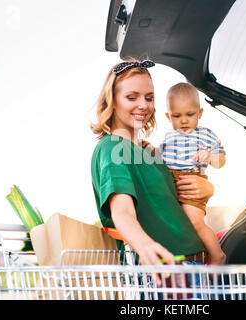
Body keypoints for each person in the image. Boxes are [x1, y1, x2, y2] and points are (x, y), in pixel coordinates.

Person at [90, 60, 215, 268]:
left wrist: (205, 188)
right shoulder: (113, 147)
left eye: (149, 98)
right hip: (166, 269)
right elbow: (122, 212)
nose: (144, 105)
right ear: (112, 100)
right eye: (132, 97)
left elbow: (169, 202)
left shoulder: (145, 151)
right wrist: (146, 246)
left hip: (194, 262)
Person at [147, 82, 227, 265]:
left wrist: (209, 157)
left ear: (200, 113)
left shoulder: (205, 134)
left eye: (190, 114)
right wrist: (151, 150)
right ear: (168, 116)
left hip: (192, 182)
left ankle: (217, 255)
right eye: (177, 115)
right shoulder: (168, 137)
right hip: (171, 183)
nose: (184, 120)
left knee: (195, 222)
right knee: (175, 222)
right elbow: (160, 158)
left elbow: (221, 160)